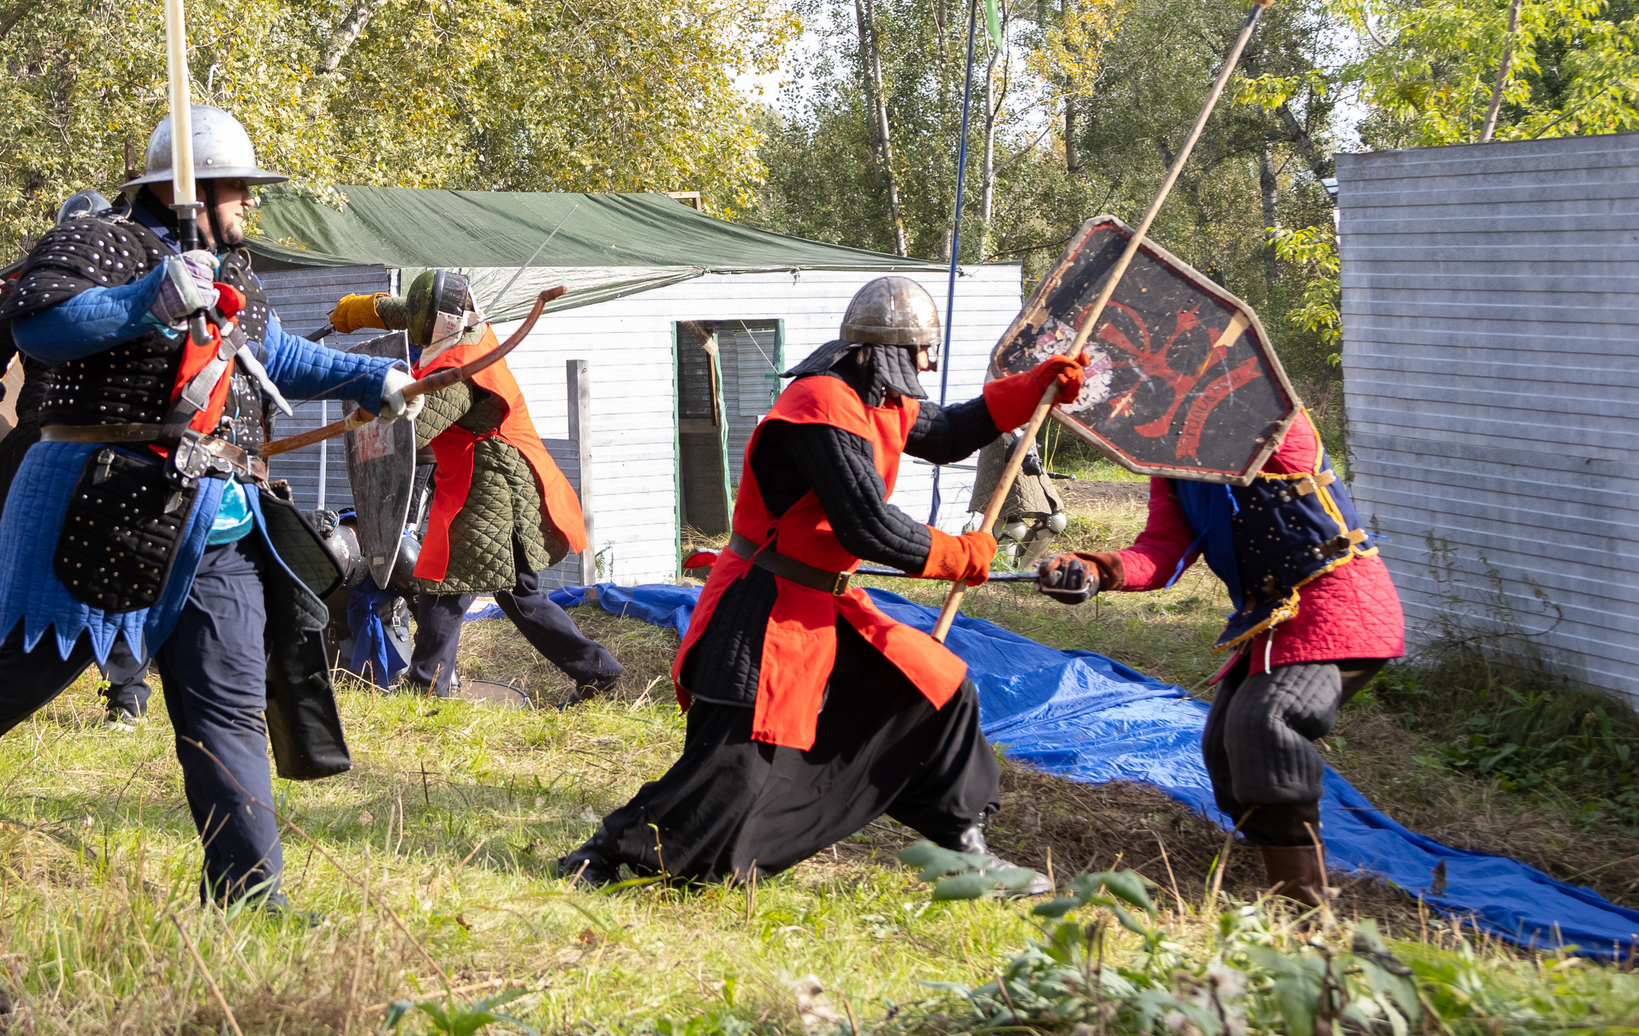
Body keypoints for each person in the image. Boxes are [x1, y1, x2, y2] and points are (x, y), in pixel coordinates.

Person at [0, 106, 421, 907]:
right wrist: (146, 299)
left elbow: (268, 355)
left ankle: (247, 895)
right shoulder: (100, 240)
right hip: (99, 503)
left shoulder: (230, 269)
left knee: (227, 701)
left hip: (217, 516)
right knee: (19, 675)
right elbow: (39, 325)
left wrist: (368, 380)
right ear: (188, 187)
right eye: (238, 187)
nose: (250, 203)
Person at [556, 278, 1084, 893]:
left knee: (937, 690)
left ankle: (965, 851)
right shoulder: (818, 407)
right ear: (886, 352)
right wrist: (959, 553)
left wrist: (1033, 388)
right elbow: (868, 528)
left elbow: (945, 433)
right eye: (921, 350)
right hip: (761, 607)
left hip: (826, 603)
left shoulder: (874, 401)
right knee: (734, 771)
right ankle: (606, 855)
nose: (928, 365)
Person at [1033, 412, 1404, 904]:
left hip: (1341, 607)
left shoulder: (1271, 422)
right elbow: (1165, 548)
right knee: (1225, 749)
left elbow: (1263, 409)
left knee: (1266, 724)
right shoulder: (1169, 463)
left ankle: (1304, 899)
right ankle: (1270, 865)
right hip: (1272, 618)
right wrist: (1098, 569)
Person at [327, 269, 620, 703]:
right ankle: (598, 673)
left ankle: (428, 686)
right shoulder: (465, 326)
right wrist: (361, 310)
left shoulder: (458, 369)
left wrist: (371, 402)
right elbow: (416, 315)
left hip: (491, 484)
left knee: (451, 585)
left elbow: (414, 432)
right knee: (509, 593)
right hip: (486, 475)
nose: (417, 324)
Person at [0, 189, 154, 724]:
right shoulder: (146, 275)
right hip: (126, 447)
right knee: (118, 559)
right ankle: (128, 697)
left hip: (45, 437)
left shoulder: (35, 282)